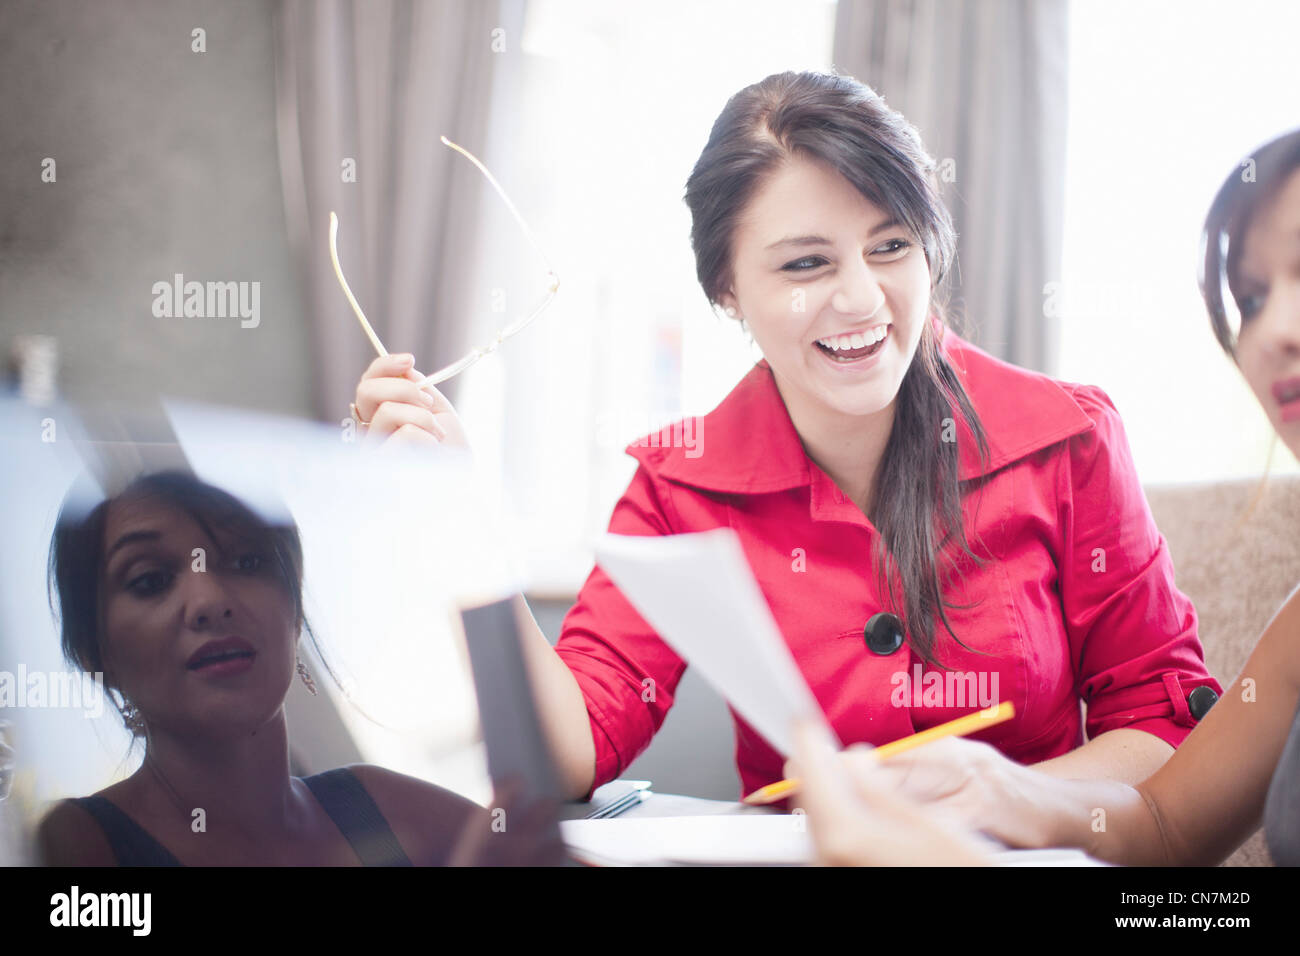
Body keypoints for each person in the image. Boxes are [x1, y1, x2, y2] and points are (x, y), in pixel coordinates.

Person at [350, 70, 1220, 807]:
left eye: (891, 246)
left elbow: (1161, 721)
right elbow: (572, 746)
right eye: (806, 263)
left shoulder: (1069, 440)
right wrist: (456, 516)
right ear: (727, 289)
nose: (861, 300)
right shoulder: (679, 483)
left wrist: (1003, 807)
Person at [787, 126, 1300, 867]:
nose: (1274, 329)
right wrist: (997, 790)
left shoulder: (1068, 434)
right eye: (1250, 296)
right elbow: (1163, 827)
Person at [36, 469, 562, 866]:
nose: (209, 600)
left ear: (295, 610)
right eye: (150, 580)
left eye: (246, 561)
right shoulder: (79, 842)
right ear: (93, 652)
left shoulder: (381, 804)